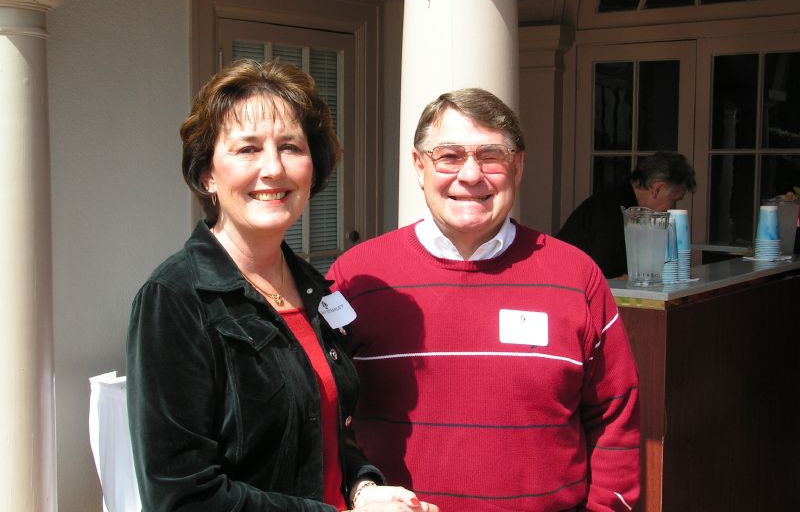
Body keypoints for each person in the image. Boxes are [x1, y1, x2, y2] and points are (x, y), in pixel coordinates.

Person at [126, 59, 439, 512]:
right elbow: (183, 497)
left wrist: (363, 489)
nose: (273, 168)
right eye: (248, 149)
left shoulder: (316, 290)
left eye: (290, 147)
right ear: (207, 174)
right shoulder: (175, 301)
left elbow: (324, 428)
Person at [327, 88, 641, 511]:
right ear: (419, 166)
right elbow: (320, 417)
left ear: (518, 166)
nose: (471, 175)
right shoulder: (356, 280)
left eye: (491, 156)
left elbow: (614, 416)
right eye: (449, 156)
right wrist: (357, 493)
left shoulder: (576, 277)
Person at [557, 151, 697, 279]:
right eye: (673, 200)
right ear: (657, 188)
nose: (670, 209)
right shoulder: (615, 210)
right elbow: (611, 275)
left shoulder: (623, 201)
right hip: (566, 288)